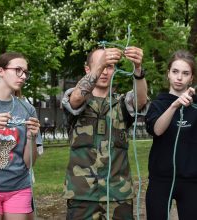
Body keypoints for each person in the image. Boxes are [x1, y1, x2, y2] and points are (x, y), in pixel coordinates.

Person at [62, 46, 148, 220]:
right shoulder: (76, 97)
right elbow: (76, 99)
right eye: (100, 66)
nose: (104, 71)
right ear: (88, 69)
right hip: (81, 194)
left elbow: (140, 101)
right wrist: (99, 67)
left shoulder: (122, 103)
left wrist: (138, 69)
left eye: (109, 67)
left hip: (118, 194)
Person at [0, 52, 41, 220]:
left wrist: (31, 138)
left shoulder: (28, 109)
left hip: (18, 187)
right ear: (1, 71)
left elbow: (29, 163)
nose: (23, 76)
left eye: (26, 72)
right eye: (18, 70)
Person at [145, 50, 197, 220]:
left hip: (191, 181)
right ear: (168, 74)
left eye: (185, 73)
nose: (179, 77)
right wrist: (174, 105)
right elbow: (157, 130)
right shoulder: (157, 104)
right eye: (175, 72)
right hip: (161, 180)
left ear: (192, 78)